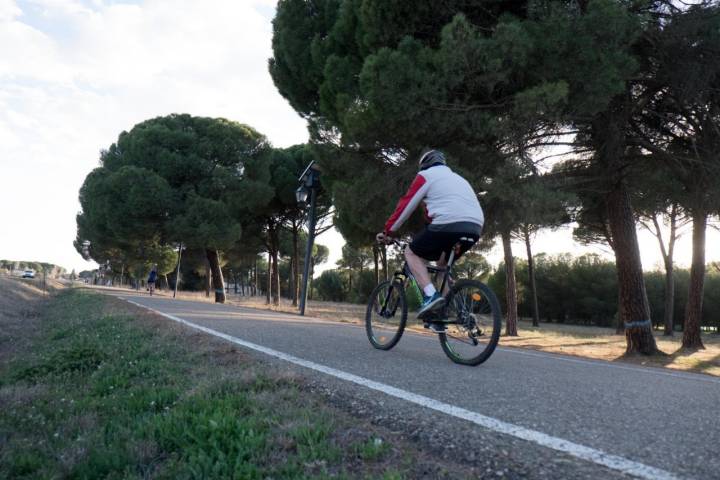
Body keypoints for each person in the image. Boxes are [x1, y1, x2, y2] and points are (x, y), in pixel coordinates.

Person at [376, 149, 484, 332]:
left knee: (411, 252)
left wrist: (388, 232)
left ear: (424, 164)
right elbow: (431, 216)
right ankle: (444, 315)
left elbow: (405, 206)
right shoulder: (459, 179)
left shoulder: (425, 175)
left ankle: (431, 295)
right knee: (442, 266)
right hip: (475, 226)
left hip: (448, 224)